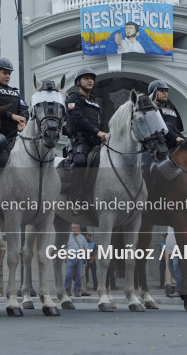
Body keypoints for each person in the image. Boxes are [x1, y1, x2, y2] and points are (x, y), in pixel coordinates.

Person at [65, 68, 107, 208]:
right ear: (78, 82)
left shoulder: (95, 103)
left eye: (92, 78)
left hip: (96, 141)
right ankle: (75, 199)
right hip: (80, 141)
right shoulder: (73, 98)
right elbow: (78, 118)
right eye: (86, 78)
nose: (90, 81)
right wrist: (97, 131)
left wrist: (104, 133)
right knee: (79, 162)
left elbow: (100, 123)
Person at [148, 80, 184, 150]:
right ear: (153, 93)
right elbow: (161, 126)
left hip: (173, 142)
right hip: (158, 144)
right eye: (161, 91)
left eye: (166, 91)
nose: (165, 93)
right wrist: (175, 137)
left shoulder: (169, 108)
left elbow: (175, 127)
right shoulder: (149, 110)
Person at [64, 224, 88, 297]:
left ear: (79, 229)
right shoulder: (68, 236)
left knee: (78, 275)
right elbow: (65, 247)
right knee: (68, 275)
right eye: (72, 228)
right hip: (70, 257)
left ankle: (77, 292)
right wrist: (65, 256)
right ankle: (67, 291)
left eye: (75, 228)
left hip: (79, 258)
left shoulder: (82, 237)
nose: (73, 229)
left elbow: (86, 249)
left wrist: (84, 255)